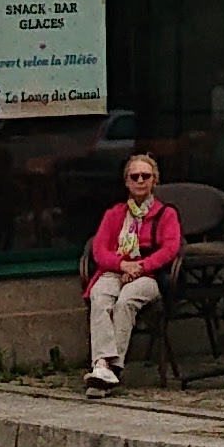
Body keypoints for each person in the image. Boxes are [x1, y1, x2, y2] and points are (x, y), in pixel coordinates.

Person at [84, 152, 181, 389]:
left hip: (149, 275)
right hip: (116, 270)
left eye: (145, 176)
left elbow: (170, 249)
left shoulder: (166, 214)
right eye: (134, 176)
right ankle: (102, 364)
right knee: (100, 295)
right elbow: (99, 250)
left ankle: (110, 367)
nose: (140, 181)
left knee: (126, 300)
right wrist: (122, 265)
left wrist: (140, 267)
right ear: (126, 181)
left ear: (154, 180)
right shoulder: (114, 214)